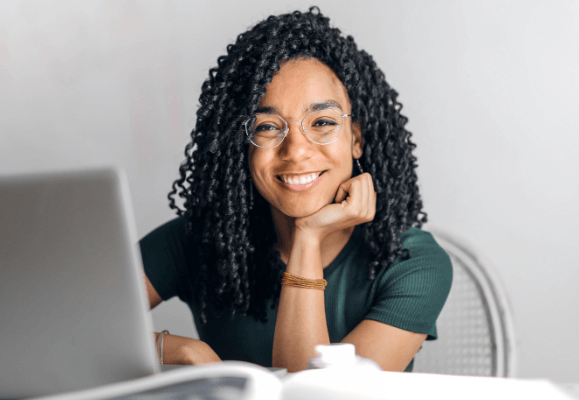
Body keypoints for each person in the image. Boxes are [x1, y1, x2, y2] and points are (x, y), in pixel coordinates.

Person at [139, 7, 452, 373]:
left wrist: (308, 236)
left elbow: (316, 397)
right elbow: (64, 325)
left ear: (356, 139)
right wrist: (184, 351)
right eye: (268, 127)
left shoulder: (411, 262)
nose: (297, 150)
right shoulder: (199, 240)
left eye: (322, 122)